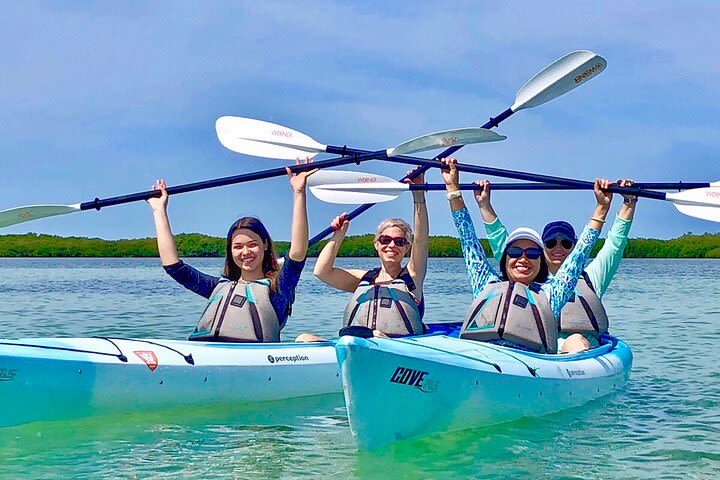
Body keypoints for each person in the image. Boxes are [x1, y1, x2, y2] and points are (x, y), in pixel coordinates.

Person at [440, 157, 611, 354]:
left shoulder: (550, 295)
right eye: (514, 252)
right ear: (505, 260)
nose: (523, 258)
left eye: (531, 253)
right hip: (485, 359)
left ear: (541, 262)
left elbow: (580, 253)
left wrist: (602, 207)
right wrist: (453, 189)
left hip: (532, 367)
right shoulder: (485, 284)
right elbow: (467, 238)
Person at [145, 160, 316, 343]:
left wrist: (299, 193)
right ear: (231, 251)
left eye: (252, 244)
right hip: (207, 357)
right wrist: (159, 210)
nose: (245, 252)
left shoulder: (278, 290)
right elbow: (174, 267)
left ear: (265, 244)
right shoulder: (217, 287)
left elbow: (297, 255)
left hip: (254, 362)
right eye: (237, 246)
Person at [475, 177, 638, 353]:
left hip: (579, 354)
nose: (558, 248)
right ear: (541, 248)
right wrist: (484, 204)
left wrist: (629, 202)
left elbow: (615, 244)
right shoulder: (526, 274)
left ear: (575, 247)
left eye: (566, 243)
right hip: (536, 352)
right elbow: (502, 244)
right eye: (551, 243)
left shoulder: (591, 278)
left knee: (575, 341)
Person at [296, 170, 429, 340]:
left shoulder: (413, 276)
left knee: (375, 336)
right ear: (376, 244)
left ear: (407, 248)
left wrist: (418, 196)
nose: (392, 245)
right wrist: (338, 235)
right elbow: (321, 272)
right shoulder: (364, 278)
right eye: (385, 240)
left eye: (399, 242)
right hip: (357, 345)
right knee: (304, 338)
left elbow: (421, 240)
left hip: (395, 349)